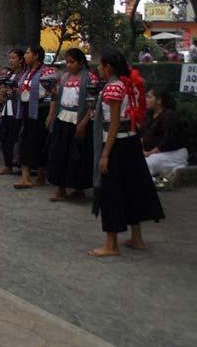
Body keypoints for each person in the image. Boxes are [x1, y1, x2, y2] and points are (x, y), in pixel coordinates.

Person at [88, 49, 164, 257]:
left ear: (109, 68)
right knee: (132, 190)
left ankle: (111, 244)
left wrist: (105, 154)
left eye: (101, 66)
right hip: (130, 142)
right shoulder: (130, 85)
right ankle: (137, 238)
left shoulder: (113, 87)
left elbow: (113, 124)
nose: (98, 69)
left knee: (111, 192)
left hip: (117, 144)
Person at [46, 49, 97, 201]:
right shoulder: (64, 78)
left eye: (72, 62)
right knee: (59, 153)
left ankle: (78, 189)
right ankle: (61, 188)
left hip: (79, 119)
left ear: (81, 62)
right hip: (63, 118)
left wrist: (83, 123)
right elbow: (57, 99)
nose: (69, 65)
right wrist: (51, 114)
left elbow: (92, 104)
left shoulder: (90, 79)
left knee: (78, 156)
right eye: (67, 62)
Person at [12, 47, 57, 189]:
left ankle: (40, 174)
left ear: (36, 56)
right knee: (25, 140)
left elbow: (53, 95)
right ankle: (25, 177)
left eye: (27, 53)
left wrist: (51, 114)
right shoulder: (27, 72)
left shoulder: (47, 72)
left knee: (39, 141)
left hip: (40, 110)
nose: (25, 56)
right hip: (26, 110)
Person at [142, 88, 188, 177]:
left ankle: (177, 167)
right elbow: (142, 134)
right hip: (153, 154)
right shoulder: (149, 114)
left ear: (159, 100)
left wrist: (149, 153)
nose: (145, 99)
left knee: (146, 163)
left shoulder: (169, 116)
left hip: (173, 154)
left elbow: (167, 141)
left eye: (149, 97)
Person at [0, 49, 24, 175]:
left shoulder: (23, 74)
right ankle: (8, 164)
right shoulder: (10, 74)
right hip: (8, 108)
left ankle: (18, 163)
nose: (11, 61)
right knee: (5, 136)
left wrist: (15, 91)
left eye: (14, 58)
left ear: (21, 60)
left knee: (15, 137)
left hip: (18, 109)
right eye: (10, 58)